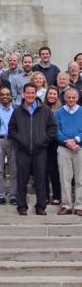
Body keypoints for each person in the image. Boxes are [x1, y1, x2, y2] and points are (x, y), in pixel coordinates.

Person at [9, 83, 58, 216]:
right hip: (23, 150)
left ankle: (41, 206)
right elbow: (11, 130)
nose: (30, 95)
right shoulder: (18, 111)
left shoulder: (45, 110)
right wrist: (20, 140)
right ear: (24, 94)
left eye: (32, 93)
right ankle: (22, 206)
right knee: (22, 179)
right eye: (28, 93)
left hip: (40, 150)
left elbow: (52, 128)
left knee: (41, 179)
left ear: (36, 94)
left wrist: (44, 140)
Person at [55, 88, 82, 216]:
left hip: (79, 148)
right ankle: (66, 205)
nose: (71, 100)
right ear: (64, 98)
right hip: (64, 148)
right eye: (68, 97)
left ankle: (79, 205)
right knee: (65, 178)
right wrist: (68, 142)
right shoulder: (58, 112)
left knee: (80, 179)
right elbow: (56, 131)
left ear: (77, 98)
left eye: (73, 97)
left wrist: (76, 140)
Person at [0, 87, 17, 206]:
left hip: (13, 140)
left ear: (11, 96)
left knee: (14, 170)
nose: (5, 96)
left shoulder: (17, 110)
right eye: (2, 94)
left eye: (7, 94)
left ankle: (13, 196)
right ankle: (0, 195)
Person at [44, 87, 62, 206]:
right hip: (42, 142)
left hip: (55, 143)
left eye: (54, 94)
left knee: (54, 170)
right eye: (50, 93)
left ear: (57, 96)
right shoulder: (41, 108)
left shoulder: (60, 109)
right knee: (42, 170)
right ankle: (44, 196)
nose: (52, 96)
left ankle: (56, 196)